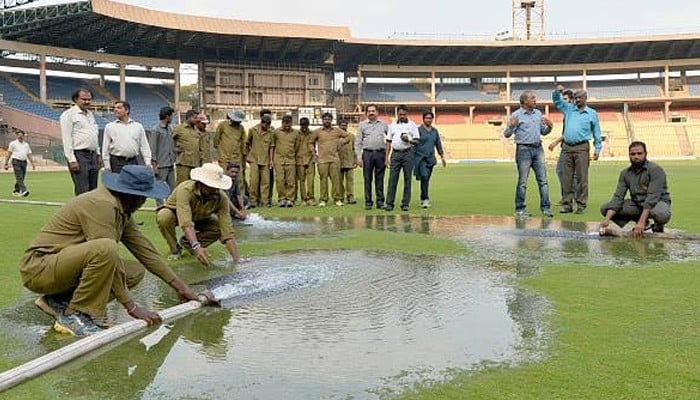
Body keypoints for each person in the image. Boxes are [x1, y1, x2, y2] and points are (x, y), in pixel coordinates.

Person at [19, 165, 212, 337]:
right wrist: (132, 307)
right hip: (39, 268)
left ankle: (58, 302)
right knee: (106, 248)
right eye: (145, 197)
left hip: (60, 268)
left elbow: (147, 253)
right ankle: (75, 314)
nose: (144, 202)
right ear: (135, 197)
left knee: (134, 272)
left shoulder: (122, 209)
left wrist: (182, 288)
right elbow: (105, 254)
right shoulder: (102, 204)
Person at [156, 162, 239, 265]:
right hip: (177, 214)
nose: (215, 190)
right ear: (201, 184)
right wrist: (196, 246)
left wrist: (236, 259)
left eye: (217, 187)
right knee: (164, 216)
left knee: (219, 227)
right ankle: (175, 249)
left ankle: (188, 244)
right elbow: (186, 223)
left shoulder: (221, 198)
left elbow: (227, 230)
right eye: (211, 187)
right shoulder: (185, 190)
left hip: (200, 217)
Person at [600, 141, 671, 238]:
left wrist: (640, 223)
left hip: (657, 203)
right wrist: (606, 220)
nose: (636, 156)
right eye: (633, 154)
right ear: (629, 155)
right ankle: (643, 221)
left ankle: (657, 224)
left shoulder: (655, 170)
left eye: (639, 153)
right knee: (606, 209)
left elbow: (652, 198)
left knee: (661, 214)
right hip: (637, 204)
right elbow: (618, 197)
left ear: (645, 154)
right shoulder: (625, 173)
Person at [552, 84, 603, 214]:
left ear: (585, 98)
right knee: (566, 177)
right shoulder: (569, 109)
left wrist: (597, 149)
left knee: (582, 178)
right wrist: (557, 91)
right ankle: (567, 204)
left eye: (580, 98)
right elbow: (557, 101)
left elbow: (597, 132)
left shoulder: (592, 114)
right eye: (575, 98)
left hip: (582, 148)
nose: (577, 100)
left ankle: (581, 205)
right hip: (567, 148)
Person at [504, 91, 554, 217]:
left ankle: (546, 208)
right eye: (532, 98)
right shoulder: (516, 115)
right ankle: (520, 209)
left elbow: (543, 132)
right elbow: (506, 134)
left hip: (538, 149)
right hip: (523, 150)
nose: (535, 100)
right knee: (523, 182)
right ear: (524, 101)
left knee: (543, 181)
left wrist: (550, 127)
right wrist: (511, 126)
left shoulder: (538, 114)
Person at [60, 88, 101, 195]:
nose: (87, 102)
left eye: (89, 99)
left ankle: (91, 212)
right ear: (76, 99)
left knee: (93, 189)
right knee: (82, 189)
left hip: (93, 155)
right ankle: (81, 212)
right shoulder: (68, 115)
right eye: (84, 99)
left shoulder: (90, 115)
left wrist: (98, 154)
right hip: (79, 155)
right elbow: (66, 137)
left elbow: (94, 135)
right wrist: (71, 159)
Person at [385, 105, 420, 212]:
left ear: (407, 114)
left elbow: (417, 141)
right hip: (395, 154)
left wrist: (408, 140)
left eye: (404, 114)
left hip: (408, 153)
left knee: (407, 179)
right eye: (400, 114)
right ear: (397, 114)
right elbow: (388, 142)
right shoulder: (392, 126)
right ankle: (389, 203)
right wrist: (387, 157)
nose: (402, 116)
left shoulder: (412, 125)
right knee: (392, 179)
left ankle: (405, 203)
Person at [547, 89, 579, 204]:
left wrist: (555, 142)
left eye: (565, 99)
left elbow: (569, 133)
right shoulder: (567, 114)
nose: (563, 102)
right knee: (563, 171)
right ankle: (568, 197)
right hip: (565, 146)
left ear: (571, 100)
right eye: (562, 100)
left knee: (568, 173)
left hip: (571, 146)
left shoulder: (573, 113)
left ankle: (572, 197)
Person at [310, 112, 349, 207]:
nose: (327, 121)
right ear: (322, 120)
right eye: (325, 119)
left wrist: (342, 142)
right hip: (322, 160)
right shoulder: (317, 131)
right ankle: (323, 199)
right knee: (323, 181)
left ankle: (337, 199)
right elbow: (311, 142)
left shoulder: (337, 130)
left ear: (331, 120)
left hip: (334, 159)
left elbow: (348, 137)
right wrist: (314, 154)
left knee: (336, 181)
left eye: (328, 119)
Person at [102, 101, 152, 173]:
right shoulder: (109, 127)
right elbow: (105, 148)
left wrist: (148, 163)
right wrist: (107, 166)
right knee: (118, 184)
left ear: (127, 110)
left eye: (119, 108)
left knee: (133, 184)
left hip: (133, 161)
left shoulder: (138, 126)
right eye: (114, 108)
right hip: (116, 162)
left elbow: (144, 146)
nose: (115, 110)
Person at [355, 104, 389, 210]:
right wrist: (359, 157)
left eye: (373, 111)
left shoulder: (384, 125)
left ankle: (380, 202)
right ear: (366, 113)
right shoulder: (362, 125)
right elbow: (358, 142)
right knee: (367, 179)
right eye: (369, 111)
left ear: (377, 112)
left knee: (380, 179)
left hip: (380, 153)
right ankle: (368, 202)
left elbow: (390, 138)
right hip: (367, 154)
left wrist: (388, 156)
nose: (371, 113)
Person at [414, 112, 446, 209]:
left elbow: (438, 144)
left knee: (426, 179)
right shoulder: (418, 130)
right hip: (421, 158)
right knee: (424, 176)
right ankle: (425, 199)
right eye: (427, 118)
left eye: (430, 118)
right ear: (423, 119)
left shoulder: (434, 131)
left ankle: (423, 198)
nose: (429, 120)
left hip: (430, 159)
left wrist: (442, 156)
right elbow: (414, 143)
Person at [214, 109, 247, 195]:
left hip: (237, 158)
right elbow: (216, 141)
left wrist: (244, 159)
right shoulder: (222, 125)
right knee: (224, 178)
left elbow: (243, 145)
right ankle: (224, 198)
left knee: (240, 180)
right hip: (224, 158)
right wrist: (221, 154)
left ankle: (241, 200)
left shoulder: (241, 128)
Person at [148, 106, 176, 207]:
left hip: (170, 164)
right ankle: (160, 207)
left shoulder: (170, 129)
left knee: (172, 189)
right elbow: (153, 148)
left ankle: (170, 207)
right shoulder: (156, 130)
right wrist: (154, 166)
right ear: (167, 116)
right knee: (159, 187)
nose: (173, 118)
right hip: (161, 165)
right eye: (172, 116)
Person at [271, 115, 300, 207]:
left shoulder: (296, 133)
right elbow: (273, 145)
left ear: (291, 123)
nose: (287, 127)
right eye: (285, 125)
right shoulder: (276, 132)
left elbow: (297, 146)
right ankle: (282, 199)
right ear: (282, 123)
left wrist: (291, 154)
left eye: (289, 125)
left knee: (291, 181)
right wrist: (272, 160)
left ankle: (290, 199)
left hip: (291, 159)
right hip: (278, 160)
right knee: (280, 180)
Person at [245, 114, 274, 208]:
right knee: (254, 181)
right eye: (266, 125)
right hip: (254, 159)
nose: (268, 127)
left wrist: (271, 160)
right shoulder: (252, 130)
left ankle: (264, 201)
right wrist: (248, 155)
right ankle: (253, 201)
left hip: (265, 160)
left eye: (269, 125)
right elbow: (247, 143)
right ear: (262, 123)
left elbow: (271, 147)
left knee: (265, 182)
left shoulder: (271, 132)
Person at [173, 110, 202, 186]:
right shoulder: (179, 129)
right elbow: (170, 141)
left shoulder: (196, 130)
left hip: (195, 163)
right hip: (183, 163)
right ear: (189, 118)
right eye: (195, 118)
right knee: (182, 186)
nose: (197, 120)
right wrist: (176, 149)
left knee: (194, 186)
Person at [4, 131, 35, 197]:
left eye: (21, 136)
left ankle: (16, 190)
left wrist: (32, 163)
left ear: (24, 136)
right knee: (19, 176)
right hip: (16, 161)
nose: (20, 137)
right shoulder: (13, 144)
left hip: (24, 162)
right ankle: (24, 190)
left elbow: (29, 154)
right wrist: (6, 163)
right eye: (19, 136)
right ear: (17, 136)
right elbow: (9, 153)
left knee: (22, 177)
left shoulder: (26, 145)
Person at [296, 117, 316, 205]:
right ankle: (303, 199)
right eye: (302, 125)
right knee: (302, 180)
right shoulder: (296, 133)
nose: (304, 127)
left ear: (308, 125)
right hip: (299, 159)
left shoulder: (312, 133)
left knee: (310, 180)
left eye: (305, 125)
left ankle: (311, 198)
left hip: (310, 159)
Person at [338, 119, 357, 204]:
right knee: (339, 181)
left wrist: (355, 160)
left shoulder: (352, 136)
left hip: (349, 161)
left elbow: (354, 149)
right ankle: (340, 197)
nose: (343, 127)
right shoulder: (335, 137)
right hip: (338, 162)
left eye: (344, 125)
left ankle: (350, 197)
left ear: (347, 126)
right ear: (339, 126)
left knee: (350, 181)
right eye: (341, 125)